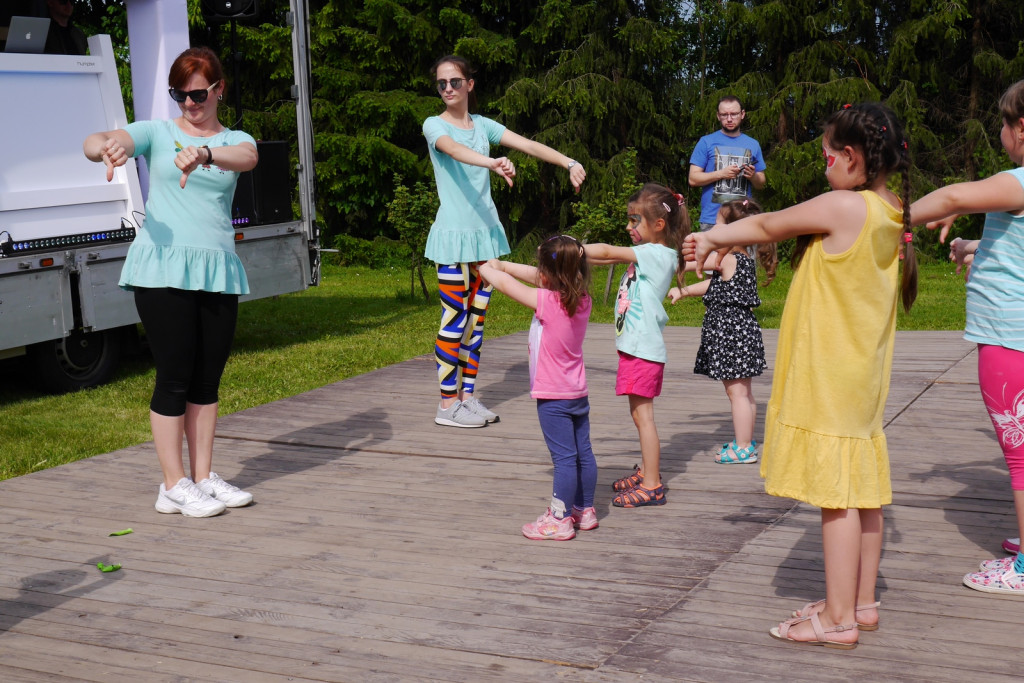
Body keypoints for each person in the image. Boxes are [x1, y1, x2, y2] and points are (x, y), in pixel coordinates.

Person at [685, 102, 918, 648]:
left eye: (828, 154)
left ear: (852, 156)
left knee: (835, 497)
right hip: (861, 380)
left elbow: (767, 223)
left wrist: (714, 239)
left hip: (832, 376)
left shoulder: (844, 206)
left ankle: (836, 620)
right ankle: (859, 604)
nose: (825, 164)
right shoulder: (890, 208)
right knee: (862, 490)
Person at [83, 47, 258, 518]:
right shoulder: (156, 133)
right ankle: (172, 484)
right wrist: (107, 148)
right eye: (179, 95)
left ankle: (202, 477)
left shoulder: (236, 138)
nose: (188, 103)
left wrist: (203, 153)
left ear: (219, 89)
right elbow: (95, 139)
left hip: (215, 267)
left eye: (198, 94)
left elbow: (246, 157)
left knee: (208, 379)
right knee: (175, 375)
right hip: (161, 269)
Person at [423, 54, 586, 428]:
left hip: (485, 238)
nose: (448, 89)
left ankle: (467, 397)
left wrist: (568, 162)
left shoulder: (483, 125)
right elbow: (452, 149)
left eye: (454, 82)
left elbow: (527, 144)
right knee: (454, 320)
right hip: (452, 240)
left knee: (476, 322)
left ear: (470, 84)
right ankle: (447, 406)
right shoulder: (434, 125)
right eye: (441, 83)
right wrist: (492, 162)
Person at [910, 79, 1024, 596]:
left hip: (1008, 338)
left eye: (1003, 123)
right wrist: (977, 245)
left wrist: (884, 218)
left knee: (1019, 454)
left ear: (1022, 129)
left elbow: (956, 193)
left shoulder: (1020, 180)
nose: (1001, 132)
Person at [478, 236, 597, 540]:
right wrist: (503, 264)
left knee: (564, 459)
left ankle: (559, 519)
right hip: (577, 393)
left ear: (549, 275)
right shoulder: (582, 298)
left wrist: (486, 268)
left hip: (553, 398)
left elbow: (506, 286)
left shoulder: (548, 301)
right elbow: (541, 277)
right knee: (583, 453)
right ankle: (584, 510)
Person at [583, 183, 688, 507]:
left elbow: (607, 253)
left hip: (643, 351)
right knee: (638, 416)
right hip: (636, 349)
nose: (629, 227)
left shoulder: (657, 254)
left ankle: (653, 484)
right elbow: (604, 260)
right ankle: (646, 470)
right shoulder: (651, 253)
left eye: (634, 221)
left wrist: (570, 247)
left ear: (658, 225)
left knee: (644, 419)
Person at [668, 198, 777, 464]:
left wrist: (666, 260)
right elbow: (713, 286)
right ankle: (746, 441)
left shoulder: (727, 258)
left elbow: (694, 265)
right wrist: (684, 291)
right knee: (744, 392)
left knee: (736, 393)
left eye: (717, 224)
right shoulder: (740, 258)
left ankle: (742, 448)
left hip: (731, 333)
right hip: (742, 331)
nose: (712, 230)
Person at [688, 95, 767, 233]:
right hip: (712, 220)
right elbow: (693, 179)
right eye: (724, 115)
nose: (729, 119)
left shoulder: (753, 144)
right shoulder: (706, 142)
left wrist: (753, 176)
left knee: (743, 256)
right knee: (713, 256)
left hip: (744, 218)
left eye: (734, 114)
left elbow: (761, 183)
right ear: (718, 116)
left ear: (742, 114)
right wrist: (721, 174)